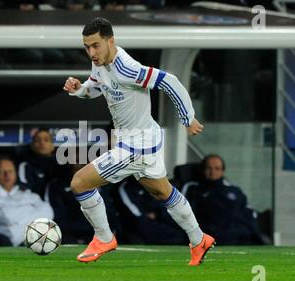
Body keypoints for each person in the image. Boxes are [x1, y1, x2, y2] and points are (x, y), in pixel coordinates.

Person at [63, 17, 215, 266]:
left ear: (111, 41)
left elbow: (170, 82)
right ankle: (199, 240)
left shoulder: (127, 69)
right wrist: (79, 89)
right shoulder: (100, 63)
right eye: (87, 46)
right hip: (144, 138)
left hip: (136, 145)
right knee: (162, 192)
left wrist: (188, 118)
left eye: (96, 45)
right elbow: (96, 86)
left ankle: (103, 238)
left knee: (80, 183)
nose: (91, 52)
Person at [182, 154, 269, 245]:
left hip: (240, 235)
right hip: (211, 236)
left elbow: (249, 213)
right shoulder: (193, 189)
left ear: (222, 171)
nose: (212, 172)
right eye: (209, 168)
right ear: (203, 170)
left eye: (217, 168)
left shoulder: (235, 191)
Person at [0, 156, 54, 246]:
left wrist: (17, 216)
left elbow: (48, 212)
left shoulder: (27, 194)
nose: (7, 175)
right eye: (2, 171)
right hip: (12, 244)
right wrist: (31, 209)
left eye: (10, 171)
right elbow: (8, 217)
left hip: (36, 240)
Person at [18, 128, 58, 198]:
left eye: (46, 140)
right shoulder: (25, 166)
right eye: (37, 140)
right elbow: (25, 193)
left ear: (52, 146)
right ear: (32, 146)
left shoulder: (62, 166)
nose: (42, 143)